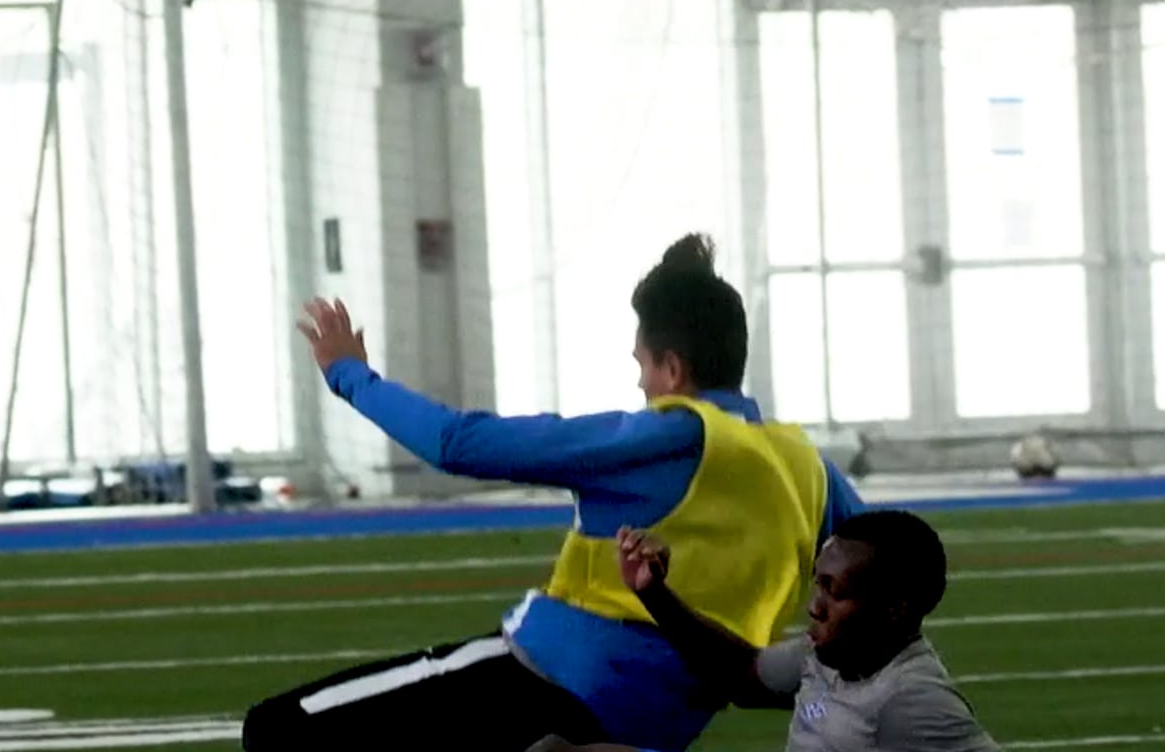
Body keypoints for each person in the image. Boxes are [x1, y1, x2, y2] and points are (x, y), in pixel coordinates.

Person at [243, 234, 865, 752]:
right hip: (659, 726)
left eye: (643, 365)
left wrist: (349, 374)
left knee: (276, 730)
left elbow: (459, 443)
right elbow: (892, 561)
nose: (641, 383)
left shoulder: (664, 436)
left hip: (539, 685)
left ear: (673, 369)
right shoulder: (807, 467)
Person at [527, 510, 1000, 752]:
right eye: (818, 584)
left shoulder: (911, 700)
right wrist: (654, 594)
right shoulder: (830, 655)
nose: (814, 606)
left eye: (835, 592)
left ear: (895, 610)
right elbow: (742, 673)